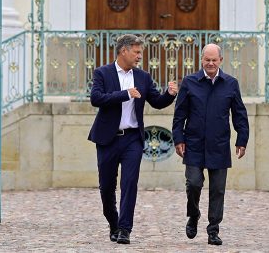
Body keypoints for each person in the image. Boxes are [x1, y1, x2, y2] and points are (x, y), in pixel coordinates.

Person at [88, 34, 178, 245]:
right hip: (107, 139)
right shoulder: (103, 73)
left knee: (129, 183)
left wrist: (170, 94)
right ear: (123, 51)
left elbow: (156, 101)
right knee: (106, 187)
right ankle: (114, 223)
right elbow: (96, 99)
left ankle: (125, 229)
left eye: (140, 52)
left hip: (132, 139)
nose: (140, 56)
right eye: (136, 52)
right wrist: (125, 94)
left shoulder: (143, 77)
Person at [172, 43, 249, 246]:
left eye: (214, 60)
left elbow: (240, 114)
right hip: (193, 143)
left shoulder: (231, 84)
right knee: (194, 183)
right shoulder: (189, 82)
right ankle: (193, 215)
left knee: (218, 189)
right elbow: (180, 114)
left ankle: (213, 229)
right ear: (202, 60)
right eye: (207, 60)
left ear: (221, 61)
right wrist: (178, 138)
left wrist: (242, 139)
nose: (211, 63)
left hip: (219, 144)